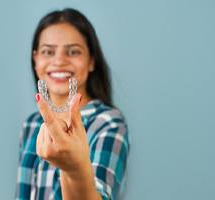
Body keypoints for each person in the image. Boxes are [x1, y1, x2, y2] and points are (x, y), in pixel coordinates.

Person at [15, 8, 130, 200]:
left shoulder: (108, 123)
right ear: (36, 60)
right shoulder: (31, 124)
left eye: (73, 51)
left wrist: (73, 169)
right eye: (47, 51)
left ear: (91, 61)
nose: (59, 61)